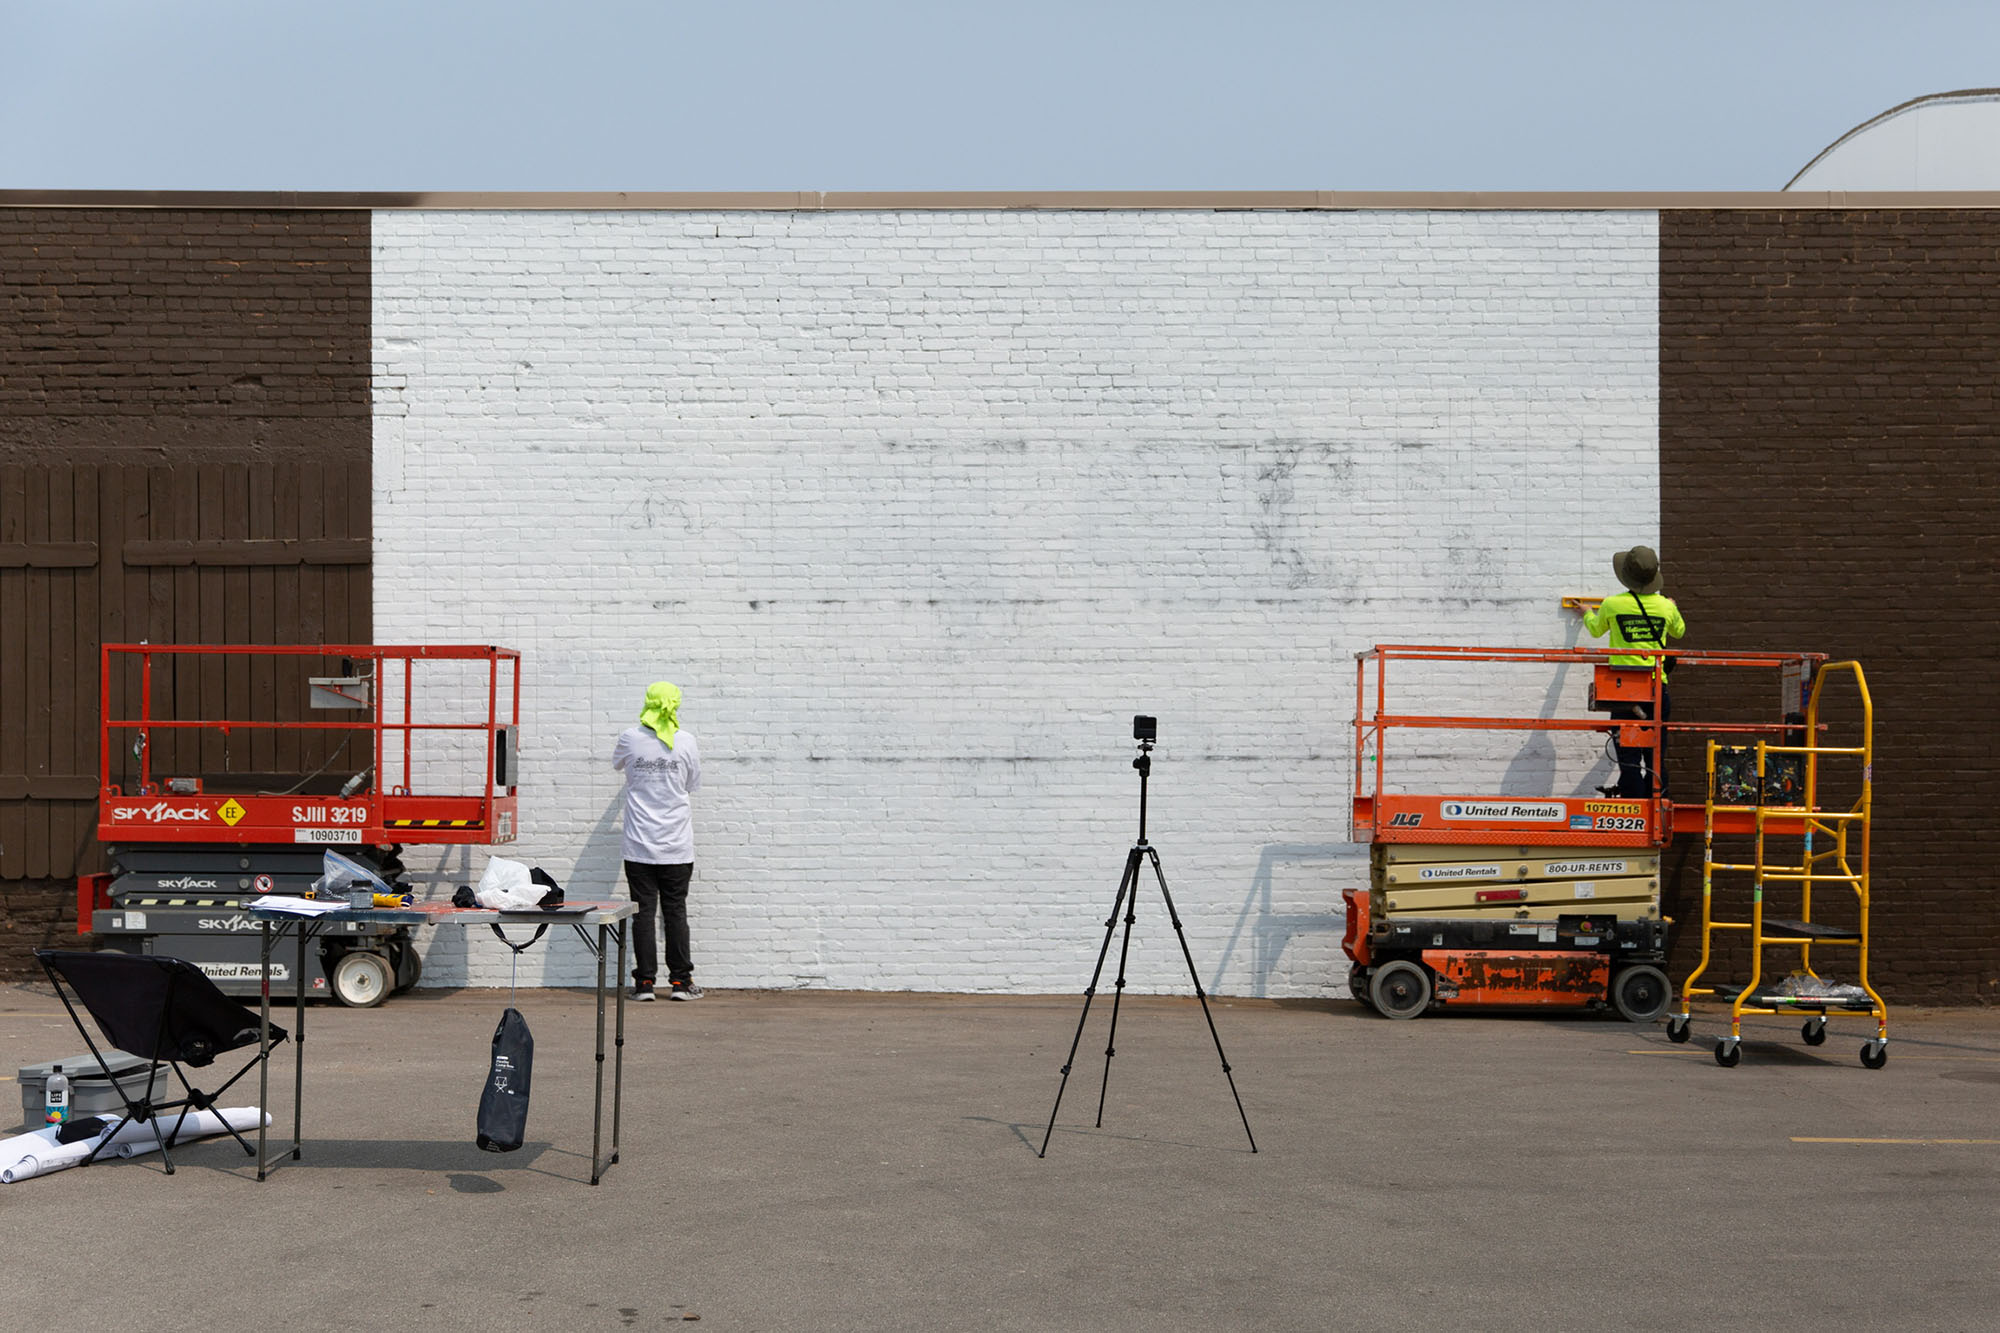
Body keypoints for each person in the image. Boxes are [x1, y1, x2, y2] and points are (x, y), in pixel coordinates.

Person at [613, 681, 704, 1000]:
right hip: (677, 845)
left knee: (643, 914)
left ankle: (645, 984)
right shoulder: (687, 741)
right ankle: (680, 982)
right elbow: (692, 783)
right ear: (675, 704)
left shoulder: (630, 738)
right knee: (675, 911)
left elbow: (617, 764)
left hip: (639, 844)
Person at [1582, 546, 1685, 799]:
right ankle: (1656, 804)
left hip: (1623, 689)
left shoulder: (1613, 604)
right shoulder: (1664, 607)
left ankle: (1635, 807)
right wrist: (1671, 606)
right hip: (1656, 688)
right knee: (1655, 754)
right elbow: (1678, 632)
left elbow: (1596, 630)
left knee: (1628, 755)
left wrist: (1586, 613)